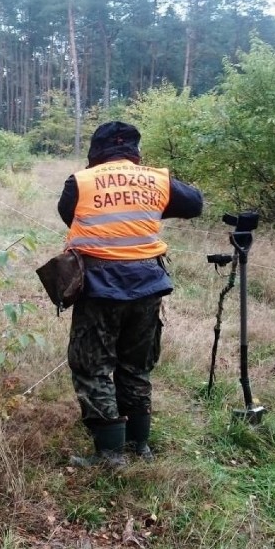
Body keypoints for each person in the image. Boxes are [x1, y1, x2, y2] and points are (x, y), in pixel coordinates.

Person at [57, 121, 203, 467]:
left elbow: (69, 214)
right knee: (135, 365)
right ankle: (139, 445)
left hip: (98, 287)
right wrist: (149, 205)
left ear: (96, 152)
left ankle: (109, 453)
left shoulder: (80, 182)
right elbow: (195, 203)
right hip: (148, 286)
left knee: (92, 367)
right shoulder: (157, 179)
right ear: (135, 151)